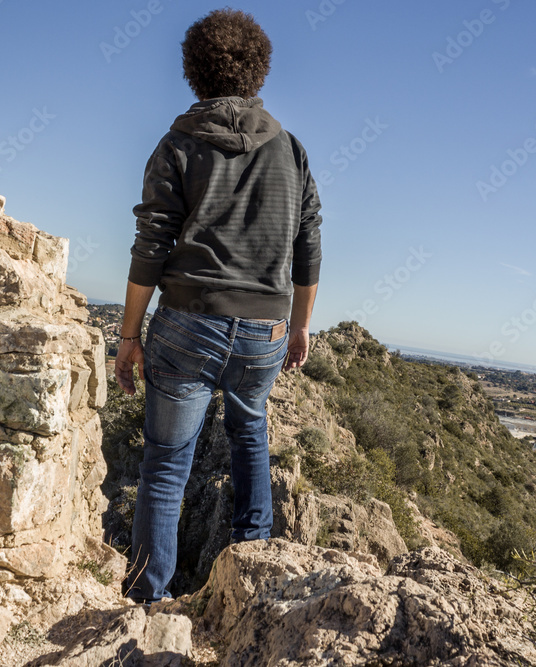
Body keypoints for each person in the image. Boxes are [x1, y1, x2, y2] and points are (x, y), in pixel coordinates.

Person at [113, 8, 322, 605]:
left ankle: (146, 602)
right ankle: (253, 580)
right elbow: (309, 245)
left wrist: (129, 337)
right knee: (250, 434)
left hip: (188, 321)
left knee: (165, 467)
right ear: (258, 71)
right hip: (266, 328)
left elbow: (150, 244)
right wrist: (299, 325)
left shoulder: (177, 144)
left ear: (194, 71)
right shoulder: (291, 150)